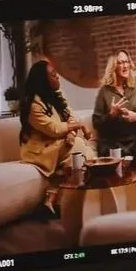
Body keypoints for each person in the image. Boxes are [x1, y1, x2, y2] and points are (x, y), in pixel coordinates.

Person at [18, 58, 93, 213]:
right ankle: (70, 204)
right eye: (53, 75)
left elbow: (70, 117)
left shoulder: (57, 95)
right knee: (80, 149)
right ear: (43, 81)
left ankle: (55, 201)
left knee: (77, 152)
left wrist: (71, 133)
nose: (57, 77)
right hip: (41, 150)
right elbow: (55, 129)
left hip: (59, 144)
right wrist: (76, 128)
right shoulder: (34, 106)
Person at [91, 49, 136, 160]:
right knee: (105, 152)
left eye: (126, 62)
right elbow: (96, 122)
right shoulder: (105, 91)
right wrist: (111, 114)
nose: (125, 66)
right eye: (120, 63)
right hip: (113, 141)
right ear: (113, 67)